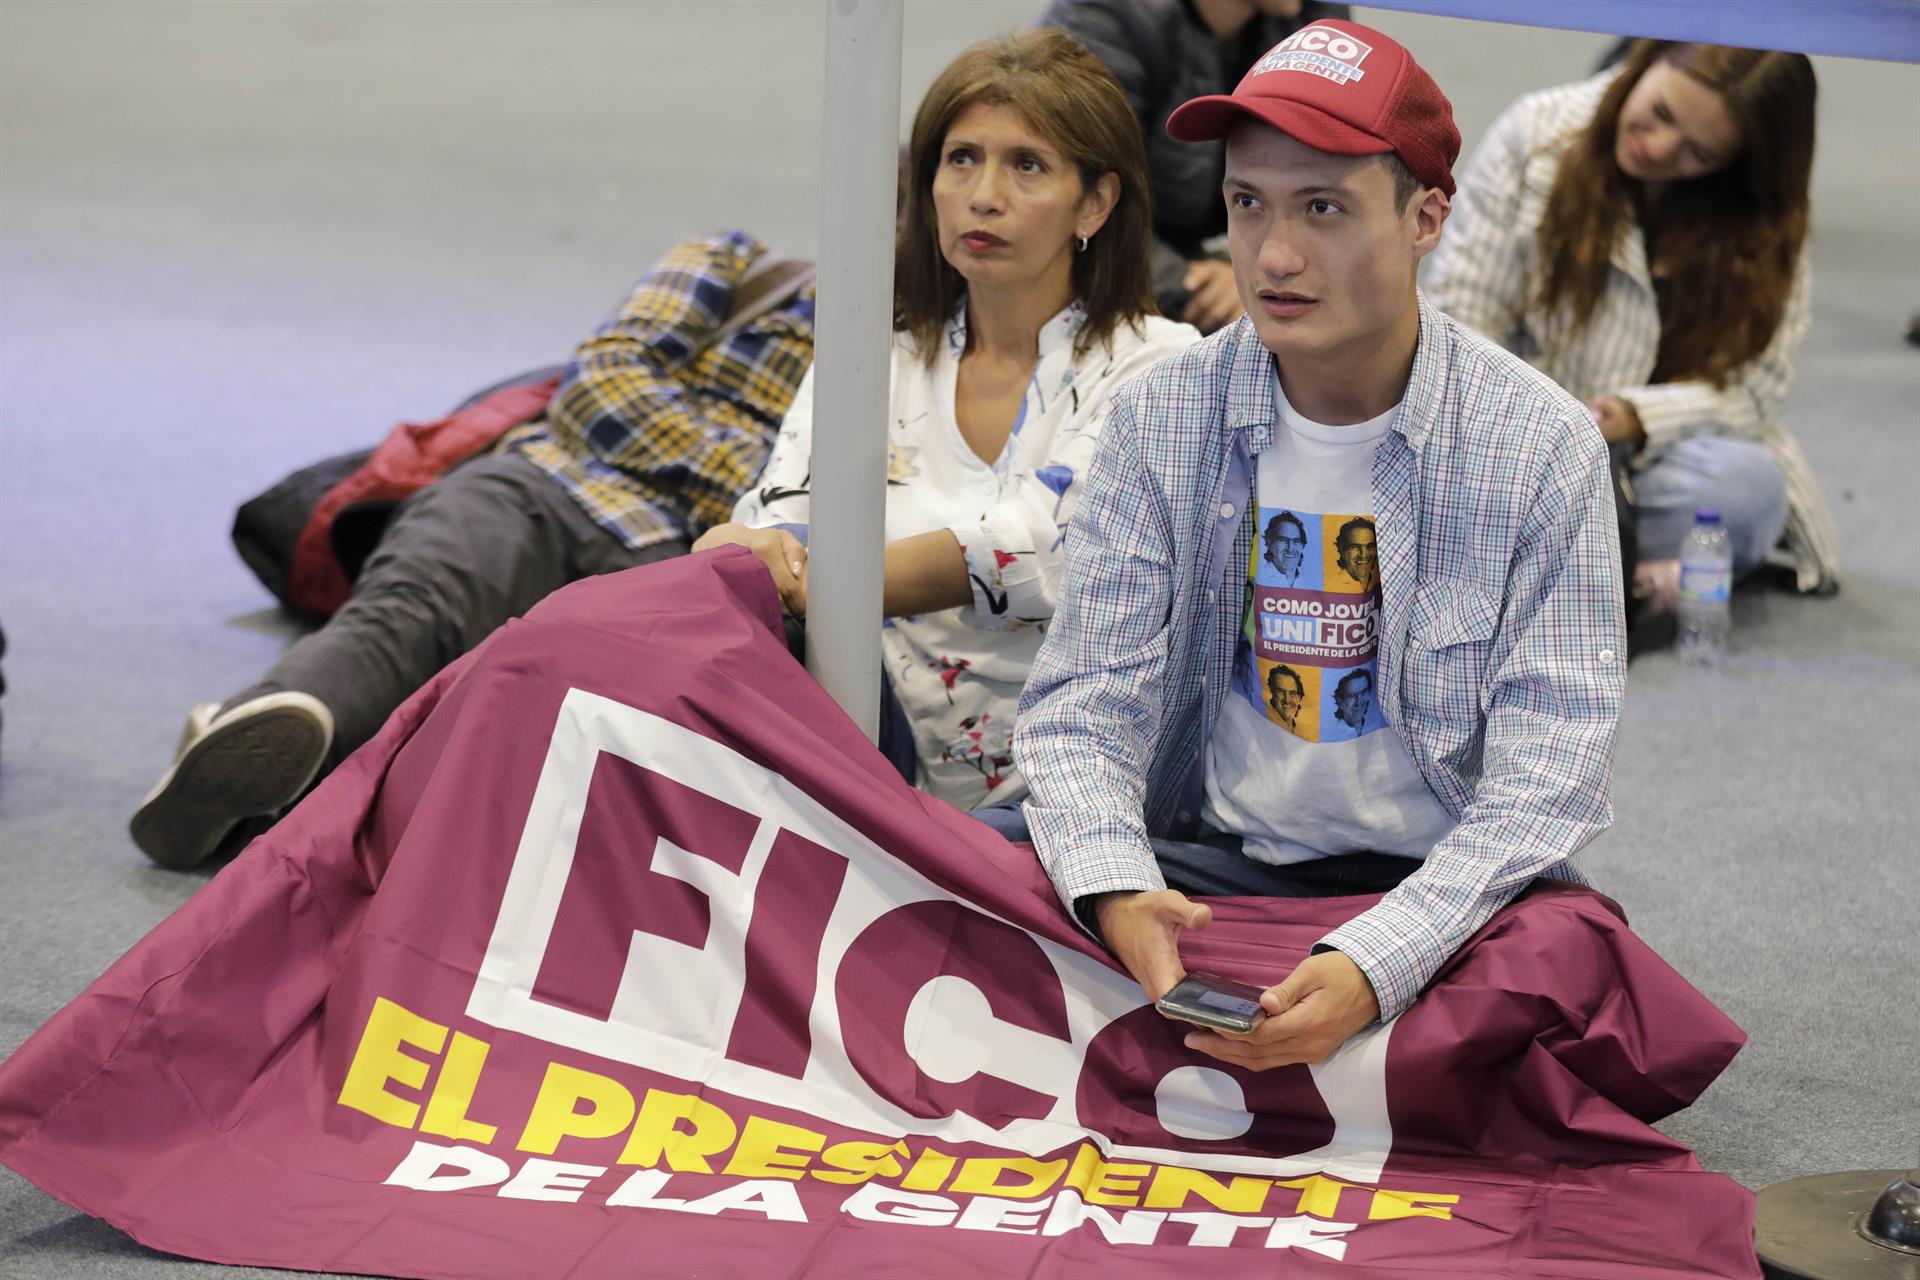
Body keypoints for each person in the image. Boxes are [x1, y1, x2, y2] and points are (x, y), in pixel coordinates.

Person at [1006, 18, 1625, 1070]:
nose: (1275, 256)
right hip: (1204, 863)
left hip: (1430, 878)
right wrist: (1117, 887)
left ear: (1429, 217)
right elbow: (1081, 707)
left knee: (1573, 955)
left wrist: (1379, 959)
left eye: (1324, 209)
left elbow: (1549, 774)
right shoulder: (1167, 413)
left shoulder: (1541, 444)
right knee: (975, 865)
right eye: (1248, 205)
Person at [129, 233, 818, 869]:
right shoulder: (741, 267)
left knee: (590, 705)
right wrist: (756, 486)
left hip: (689, 562)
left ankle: (305, 774)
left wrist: (733, 490)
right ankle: (263, 731)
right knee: (411, 612)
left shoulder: (917, 369)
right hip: (548, 485)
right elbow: (604, 387)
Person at [700, 28, 1200, 813]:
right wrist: (740, 554)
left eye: (1027, 165)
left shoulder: (1161, 367)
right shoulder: (878, 352)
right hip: (862, 748)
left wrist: (810, 577)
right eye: (961, 158)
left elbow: (1036, 550)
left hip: (1061, 793)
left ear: (1096, 202)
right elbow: (768, 524)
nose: (984, 195)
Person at [1426, 40, 1838, 601]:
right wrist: (1546, 432)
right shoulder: (1536, 134)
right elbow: (1460, 318)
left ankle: (1547, 568)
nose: (1659, 147)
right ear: (1645, 63)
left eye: (1699, 153)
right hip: (1515, 441)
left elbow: (1757, 392)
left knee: (1748, 491)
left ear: (1740, 162)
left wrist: (1636, 418)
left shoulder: (1764, 216)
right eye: (1662, 113)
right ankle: (1621, 576)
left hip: (1655, 462)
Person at [1039, 0, 1348, 333]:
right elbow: (1074, 206)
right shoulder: (1105, 18)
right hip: (1096, 267)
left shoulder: (1312, 19)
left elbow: (1337, 188)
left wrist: (1250, 274)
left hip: (1187, 258)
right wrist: (1201, 285)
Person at [1259, 510, 1308, 583]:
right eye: (1283, 540)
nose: (1290, 549)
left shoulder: (1307, 581)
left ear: (1302, 546)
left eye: (1296, 541)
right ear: (1270, 543)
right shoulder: (1260, 577)